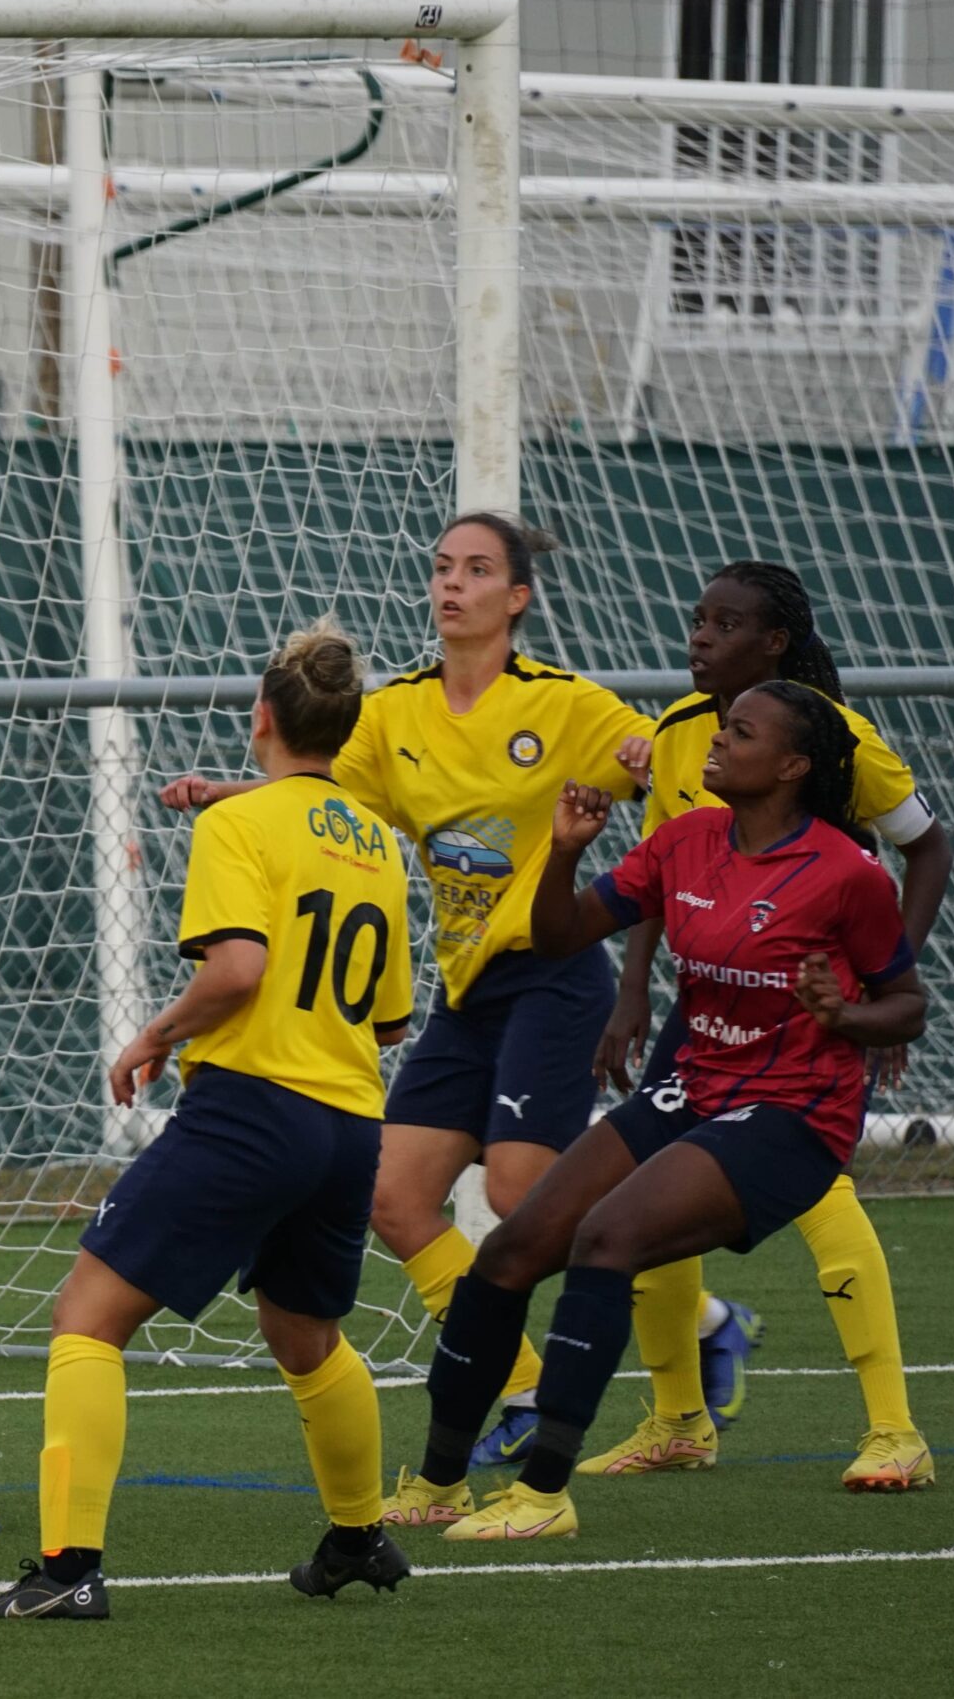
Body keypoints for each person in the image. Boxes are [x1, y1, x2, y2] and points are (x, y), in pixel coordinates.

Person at [163, 514, 653, 1479]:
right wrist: (227, 791)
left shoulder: (568, 707)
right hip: (468, 987)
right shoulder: (393, 714)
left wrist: (655, 762)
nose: (452, 585)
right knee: (394, 1194)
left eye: (477, 570)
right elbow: (316, 793)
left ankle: (678, 1289)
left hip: (555, 975)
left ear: (516, 598)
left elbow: (676, 779)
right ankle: (519, 1382)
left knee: (517, 1190)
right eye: (441, 568)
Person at [387, 682, 926, 1541]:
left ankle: (544, 1494)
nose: (716, 740)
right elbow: (560, 934)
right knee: (512, 1249)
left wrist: (846, 1016)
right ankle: (440, 1481)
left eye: (740, 733)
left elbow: (907, 1003)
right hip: (695, 1086)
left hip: (791, 1112)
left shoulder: (843, 873)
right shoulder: (685, 840)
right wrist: (564, 850)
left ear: (791, 766)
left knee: (608, 1236)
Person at [0, 622, 413, 1619]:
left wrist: (154, 1034)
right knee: (305, 1335)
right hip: (348, 1123)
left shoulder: (236, 825)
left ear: (261, 719)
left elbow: (240, 967)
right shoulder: (376, 840)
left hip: (254, 1106)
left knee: (87, 1314)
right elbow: (386, 1020)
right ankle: (356, 1535)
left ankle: (65, 1572)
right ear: (341, 733)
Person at [586, 563, 951, 1488]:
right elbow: (662, 872)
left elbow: (928, 847)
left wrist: (881, 983)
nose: (700, 636)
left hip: (807, 1016)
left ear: (775, 641)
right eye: (697, 619)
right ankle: (677, 1418)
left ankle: (894, 1429)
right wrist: (635, 990)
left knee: (822, 1197)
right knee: (644, 1191)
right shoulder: (676, 737)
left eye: (725, 623)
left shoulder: (841, 741)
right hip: (702, 1011)